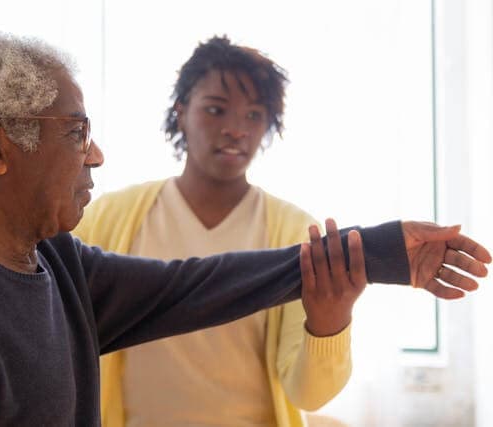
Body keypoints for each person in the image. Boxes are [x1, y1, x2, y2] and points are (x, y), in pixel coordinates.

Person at [0, 30, 489, 427]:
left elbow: (193, 286)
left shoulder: (55, 261)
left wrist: (378, 254)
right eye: (76, 131)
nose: (95, 154)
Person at [72, 36, 486, 427]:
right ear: (181, 110)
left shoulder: (295, 231)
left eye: (254, 115)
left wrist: (329, 322)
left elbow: (308, 395)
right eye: (217, 109)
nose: (236, 128)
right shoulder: (109, 218)